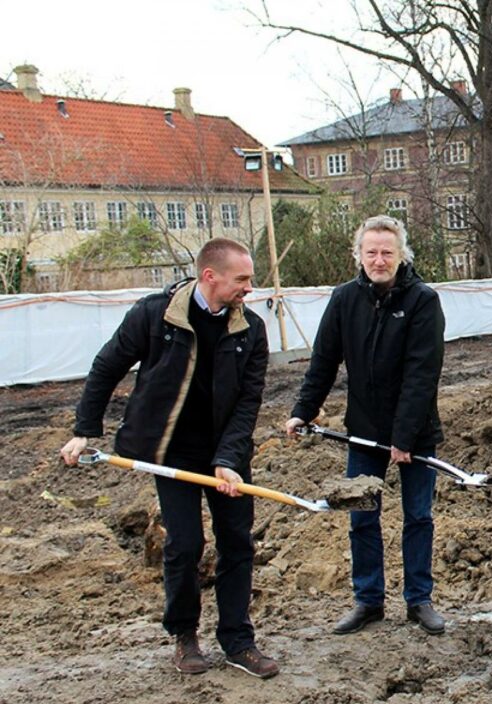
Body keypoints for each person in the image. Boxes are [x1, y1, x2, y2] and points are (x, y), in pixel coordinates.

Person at [60, 238, 278, 678]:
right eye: (242, 279)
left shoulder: (250, 330)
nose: (249, 289)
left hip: (227, 453)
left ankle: (238, 639)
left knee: (238, 541)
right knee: (185, 543)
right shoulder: (155, 315)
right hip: (171, 451)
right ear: (209, 276)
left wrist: (229, 458)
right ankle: (184, 635)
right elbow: (106, 367)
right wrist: (85, 430)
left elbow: (248, 401)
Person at [285, 215, 446, 637]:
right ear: (359, 254)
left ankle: (419, 600)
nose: (378, 259)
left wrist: (404, 437)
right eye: (371, 252)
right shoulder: (344, 300)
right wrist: (304, 409)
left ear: (402, 255)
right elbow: (323, 361)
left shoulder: (422, 301)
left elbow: (422, 374)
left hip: (415, 433)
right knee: (361, 517)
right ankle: (368, 600)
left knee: (418, 517)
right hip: (363, 430)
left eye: (387, 252)